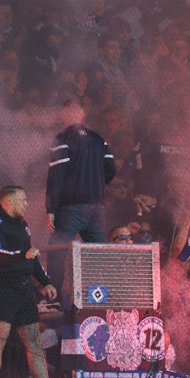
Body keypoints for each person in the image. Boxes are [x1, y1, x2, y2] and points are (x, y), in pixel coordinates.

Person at [45, 97, 116, 304]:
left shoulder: (62, 139)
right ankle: (100, 301)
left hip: (71, 208)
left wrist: (51, 208)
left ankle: (54, 298)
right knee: (97, 256)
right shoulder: (98, 139)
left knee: (57, 250)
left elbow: (56, 176)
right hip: (97, 207)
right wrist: (96, 185)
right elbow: (111, 170)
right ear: (82, 114)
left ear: (63, 114)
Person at [0, 186, 66, 378]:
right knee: (0, 338)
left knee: (34, 342)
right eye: (22, 200)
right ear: (8, 202)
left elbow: (32, 256)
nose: (27, 204)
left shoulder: (23, 225)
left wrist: (46, 281)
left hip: (24, 289)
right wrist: (22, 255)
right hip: (4, 288)